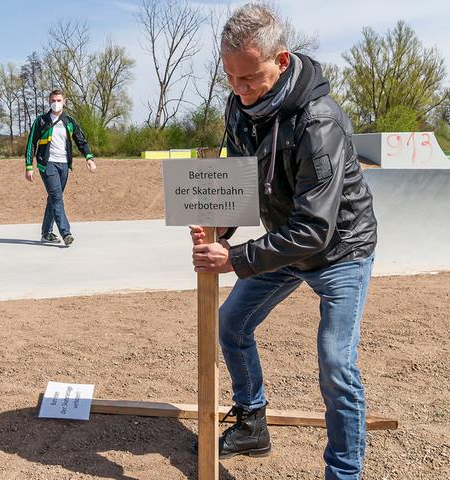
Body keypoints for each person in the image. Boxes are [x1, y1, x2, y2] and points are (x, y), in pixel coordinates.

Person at [189, 4, 377, 479]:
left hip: (340, 249)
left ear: (283, 61)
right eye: (231, 77)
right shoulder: (239, 108)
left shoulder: (320, 121)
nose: (240, 88)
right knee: (231, 324)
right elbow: (243, 183)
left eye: (250, 77)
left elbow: (317, 228)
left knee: (336, 364)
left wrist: (233, 257)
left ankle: (344, 472)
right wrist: (219, 227)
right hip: (286, 241)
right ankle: (252, 423)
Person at [24, 89, 96, 247]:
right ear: (49, 102)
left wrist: (89, 158)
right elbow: (31, 144)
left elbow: (81, 140)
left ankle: (46, 233)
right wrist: (29, 166)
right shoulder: (41, 121)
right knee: (57, 197)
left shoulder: (69, 121)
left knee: (53, 198)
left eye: (58, 100)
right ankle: (66, 232)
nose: (55, 103)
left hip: (64, 164)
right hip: (46, 163)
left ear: (64, 101)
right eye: (53, 100)